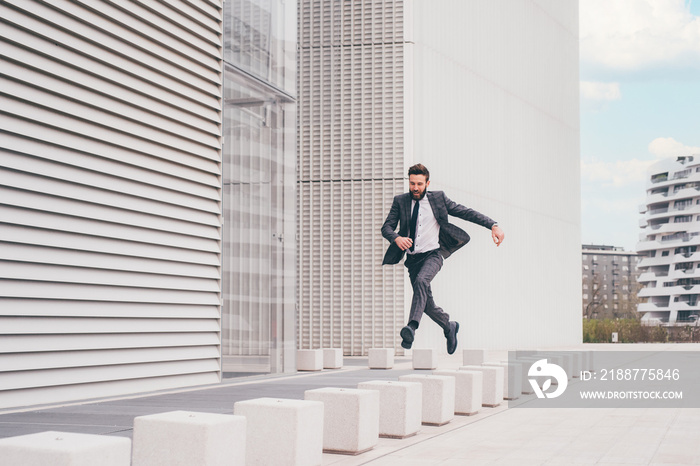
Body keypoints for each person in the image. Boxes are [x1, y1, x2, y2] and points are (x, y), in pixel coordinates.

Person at [381, 163, 505, 354]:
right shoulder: (401, 201)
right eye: (412, 183)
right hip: (413, 259)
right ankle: (449, 326)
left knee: (422, 281)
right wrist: (396, 238)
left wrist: (493, 225)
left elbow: (466, 212)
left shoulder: (438, 199)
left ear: (427, 183)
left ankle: (411, 327)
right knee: (427, 304)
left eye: (419, 184)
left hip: (434, 254)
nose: (415, 188)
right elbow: (387, 227)